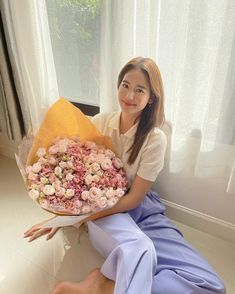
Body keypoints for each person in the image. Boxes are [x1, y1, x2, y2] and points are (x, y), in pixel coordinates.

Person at [24, 57, 226, 294]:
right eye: (125, 85)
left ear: (151, 98)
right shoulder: (101, 122)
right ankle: (105, 282)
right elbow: (69, 167)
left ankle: (104, 285)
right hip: (102, 210)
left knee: (210, 286)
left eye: (139, 90)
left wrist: (74, 219)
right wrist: (66, 216)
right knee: (140, 249)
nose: (129, 96)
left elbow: (134, 199)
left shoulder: (154, 138)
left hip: (141, 209)